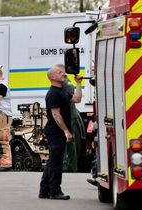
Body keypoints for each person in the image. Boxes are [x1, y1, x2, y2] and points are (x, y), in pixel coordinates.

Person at [39, 65, 82, 200]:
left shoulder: (62, 91)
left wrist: (79, 83)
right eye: (59, 72)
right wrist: (66, 131)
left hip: (58, 132)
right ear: (52, 77)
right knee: (56, 162)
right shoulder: (53, 93)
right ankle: (55, 191)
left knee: (53, 161)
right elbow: (56, 115)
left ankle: (44, 190)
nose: (63, 73)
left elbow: (77, 99)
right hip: (55, 132)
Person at [56, 64, 78, 172]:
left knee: (66, 140)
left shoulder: (66, 85)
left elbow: (65, 100)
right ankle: (70, 165)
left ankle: (67, 165)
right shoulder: (66, 83)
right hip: (68, 115)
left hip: (68, 116)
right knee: (69, 140)